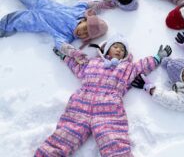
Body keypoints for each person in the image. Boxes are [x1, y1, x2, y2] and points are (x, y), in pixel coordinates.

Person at [34, 34, 172, 157]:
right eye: (116, 46)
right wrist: (64, 56)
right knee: (66, 134)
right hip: (81, 103)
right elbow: (76, 65)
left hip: (109, 108)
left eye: (122, 50)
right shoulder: (92, 62)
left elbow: (142, 66)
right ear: (107, 49)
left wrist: (158, 57)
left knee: (113, 139)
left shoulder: (127, 68)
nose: (119, 50)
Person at [0, 0, 110, 55]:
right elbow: (88, 5)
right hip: (42, 3)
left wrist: (71, 51)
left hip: (36, 21)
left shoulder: (66, 36)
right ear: (85, 21)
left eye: (86, 35)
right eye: (85, 28)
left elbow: (61, 45)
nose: (82, 32)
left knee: (14, 20)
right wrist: (103, 4)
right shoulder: (79, 12)